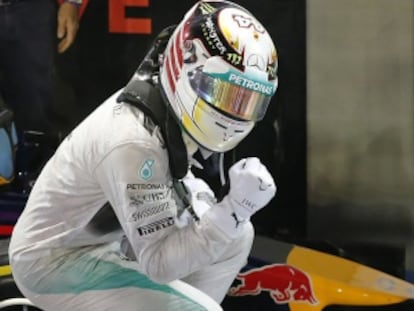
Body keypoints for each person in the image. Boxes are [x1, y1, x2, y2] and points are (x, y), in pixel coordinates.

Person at [9, 1, 279, 310]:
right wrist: (232, 208)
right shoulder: (133, 141)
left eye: (247, 102)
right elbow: (160, 264)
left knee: (237, 236)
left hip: (107, 240)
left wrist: (221, 212)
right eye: (226, 94)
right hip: (54, 260)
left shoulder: (165, 97)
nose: (235, 112)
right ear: (188, 65)